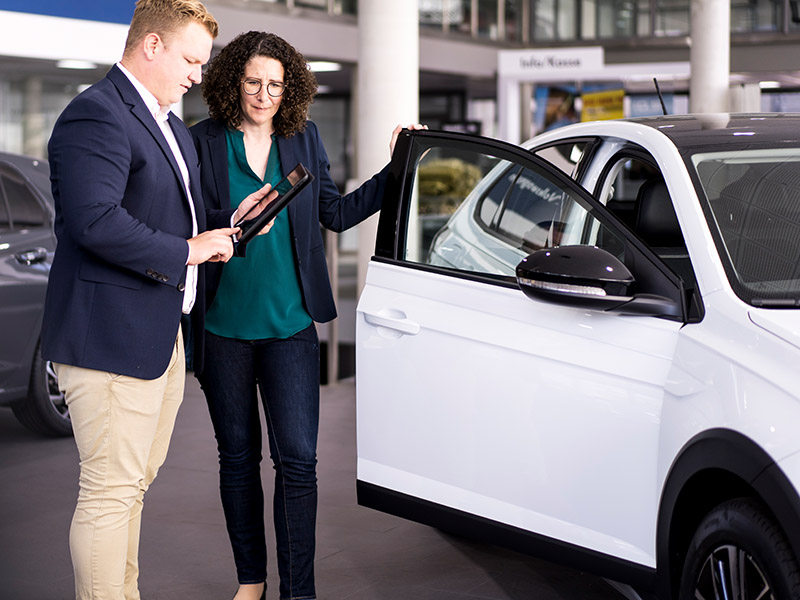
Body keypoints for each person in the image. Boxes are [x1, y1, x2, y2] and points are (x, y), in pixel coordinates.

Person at [41, 2, 273, 598]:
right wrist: (191, 251)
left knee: (130, 488)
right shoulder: (96, 114)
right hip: (109, 336)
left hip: (157, 331)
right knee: (110, 491)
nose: (198, 75)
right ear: (151, 46)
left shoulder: (168, 124)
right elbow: (93, 222)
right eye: (191, 60)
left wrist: (228, 223)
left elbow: (174, 219)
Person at [191, 30, 425, 600]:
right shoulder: (201, 140)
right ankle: (252, 580)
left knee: (297, 462)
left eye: (275, 83)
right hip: (222, 327)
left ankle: (299, 591)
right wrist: (235, 217)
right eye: (253, 82)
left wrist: (396, 168)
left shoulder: (303, 138)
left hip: (291, 326)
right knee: (238, 460)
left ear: (288, 86)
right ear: (233, 81)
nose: (264, 94)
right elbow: (189, 220)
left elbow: (338, 214)